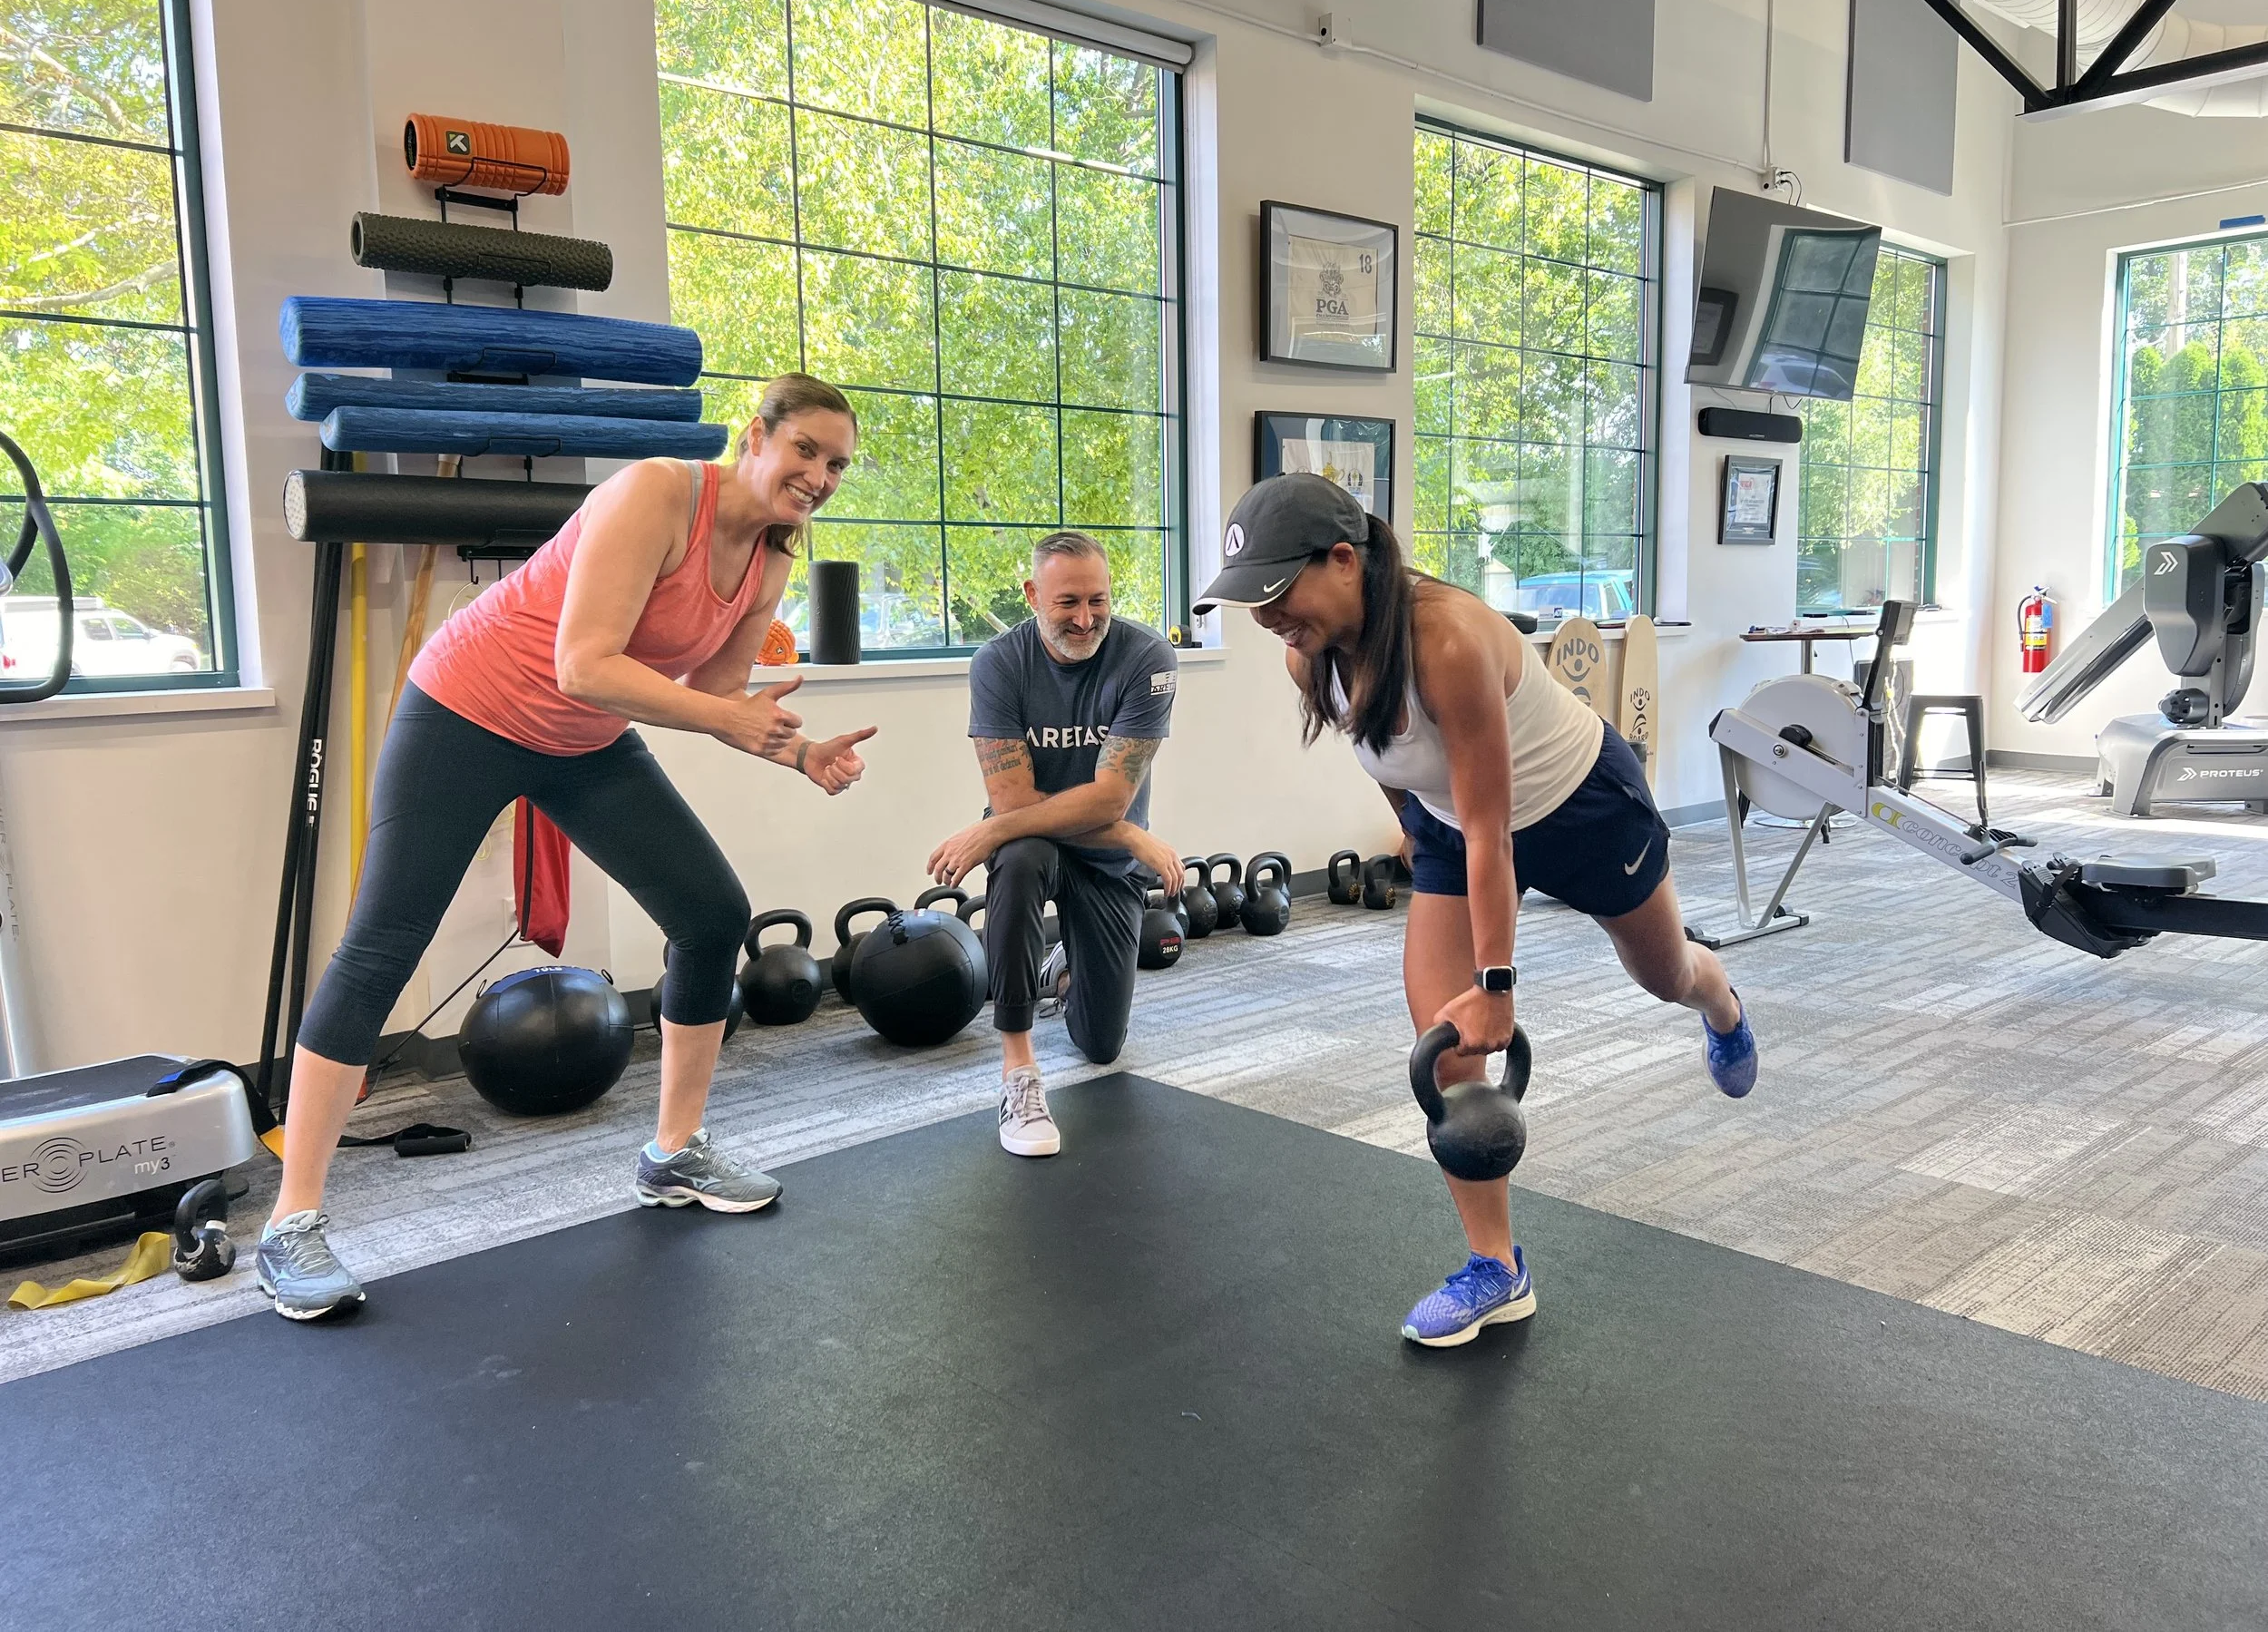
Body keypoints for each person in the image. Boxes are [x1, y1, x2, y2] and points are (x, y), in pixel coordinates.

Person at [255, 374, 878, 1322]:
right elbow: (583, 661)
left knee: (711, 917)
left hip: (583, 741)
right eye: (805, 450)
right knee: (383, 944)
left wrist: (798, 753)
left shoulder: (770, 561)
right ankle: (290, 1224)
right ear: (755, 436)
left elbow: (719, 700)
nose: (819, 475)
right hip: (464, 712)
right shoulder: (656, 493)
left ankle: (673, 1153)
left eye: (836, 464)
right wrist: (735, 719)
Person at [1195, 473, 1755, 1349]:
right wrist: (1411, 831)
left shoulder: (1445, 640)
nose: (1266, 617)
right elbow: (1379, 749)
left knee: (1662, 974)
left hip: (1577, 807)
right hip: (1457, 822)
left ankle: (1719, 998)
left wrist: (1498, 983)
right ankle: (1497, 1265)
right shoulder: (1307, 649)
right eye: (1251, 600)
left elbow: (1499, 830)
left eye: (1277, 593)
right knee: (1446, 1039)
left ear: (1344, 560)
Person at [927, 531, 1180, 1157]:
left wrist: (1116, 829)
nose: (1086, 617)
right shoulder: (999, 663)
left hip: (1109, 868)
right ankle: (1019, 1070)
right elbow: (1013, 804)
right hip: (1036, 844)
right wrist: (1125, 830)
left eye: (1100, 599)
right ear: (1032, 594)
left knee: (1100, 1045)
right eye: (1067, 601)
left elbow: (1109, 796)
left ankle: (1062, 965)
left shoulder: (1147, 658)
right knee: (1017, 855)